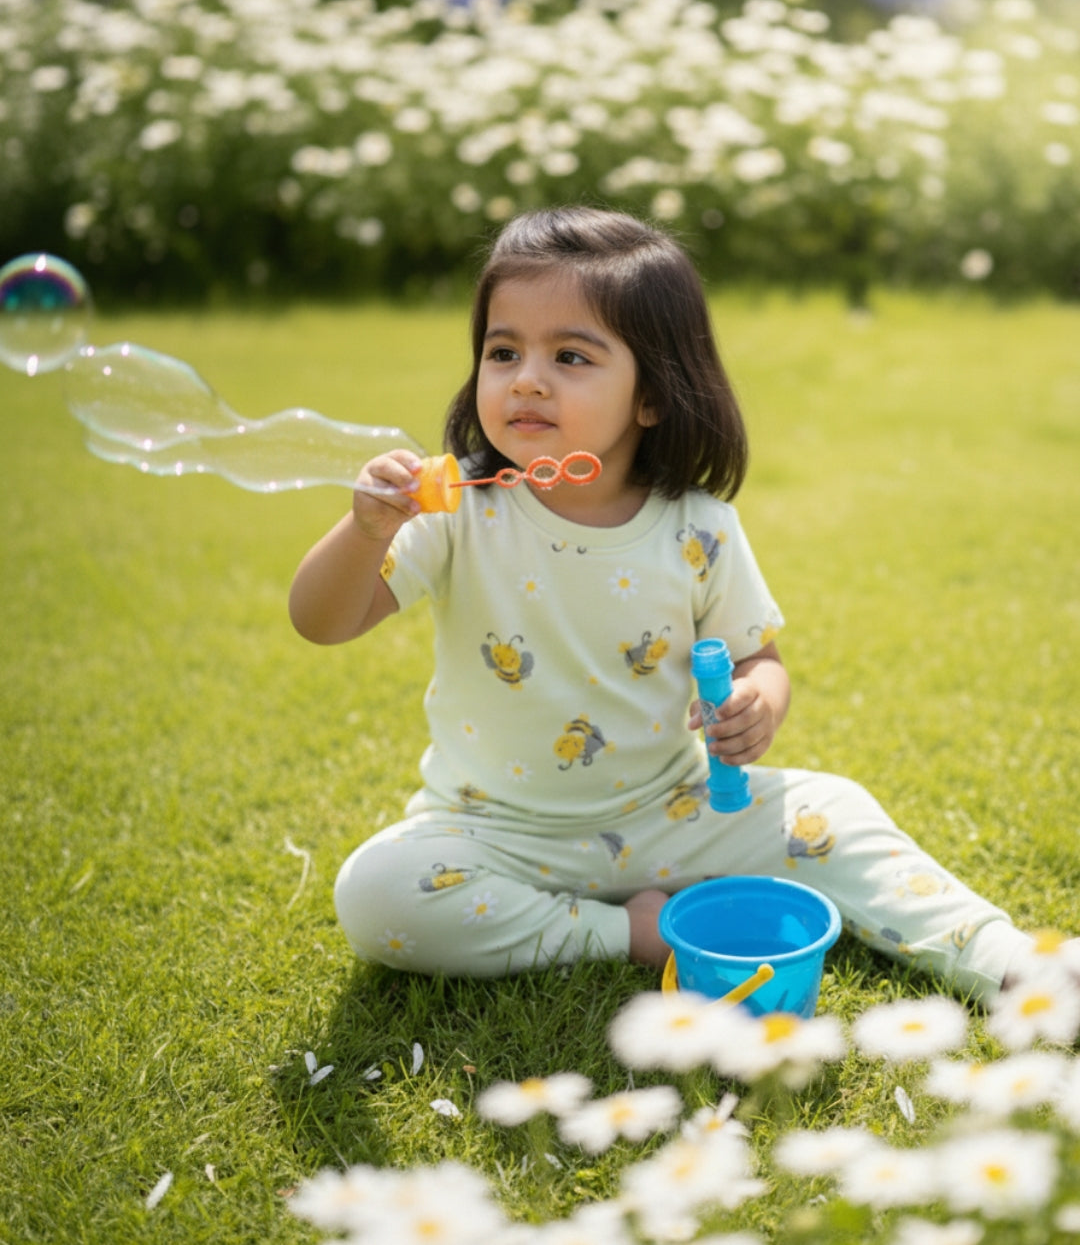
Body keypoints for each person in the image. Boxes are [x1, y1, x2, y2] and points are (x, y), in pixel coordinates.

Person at [289, 205, 1028, 1002]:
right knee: (377, 892)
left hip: (673, 812)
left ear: (651, 398)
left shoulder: (696, 527)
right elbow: (322, 620)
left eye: (571, 355)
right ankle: (632, 933)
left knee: (834, 810)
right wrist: (365, 532)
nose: (526, 378)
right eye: (503, 351)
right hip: (495, 831)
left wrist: (757, 703)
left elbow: (758, 656)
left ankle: (1008, 960)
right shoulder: (458, 511)